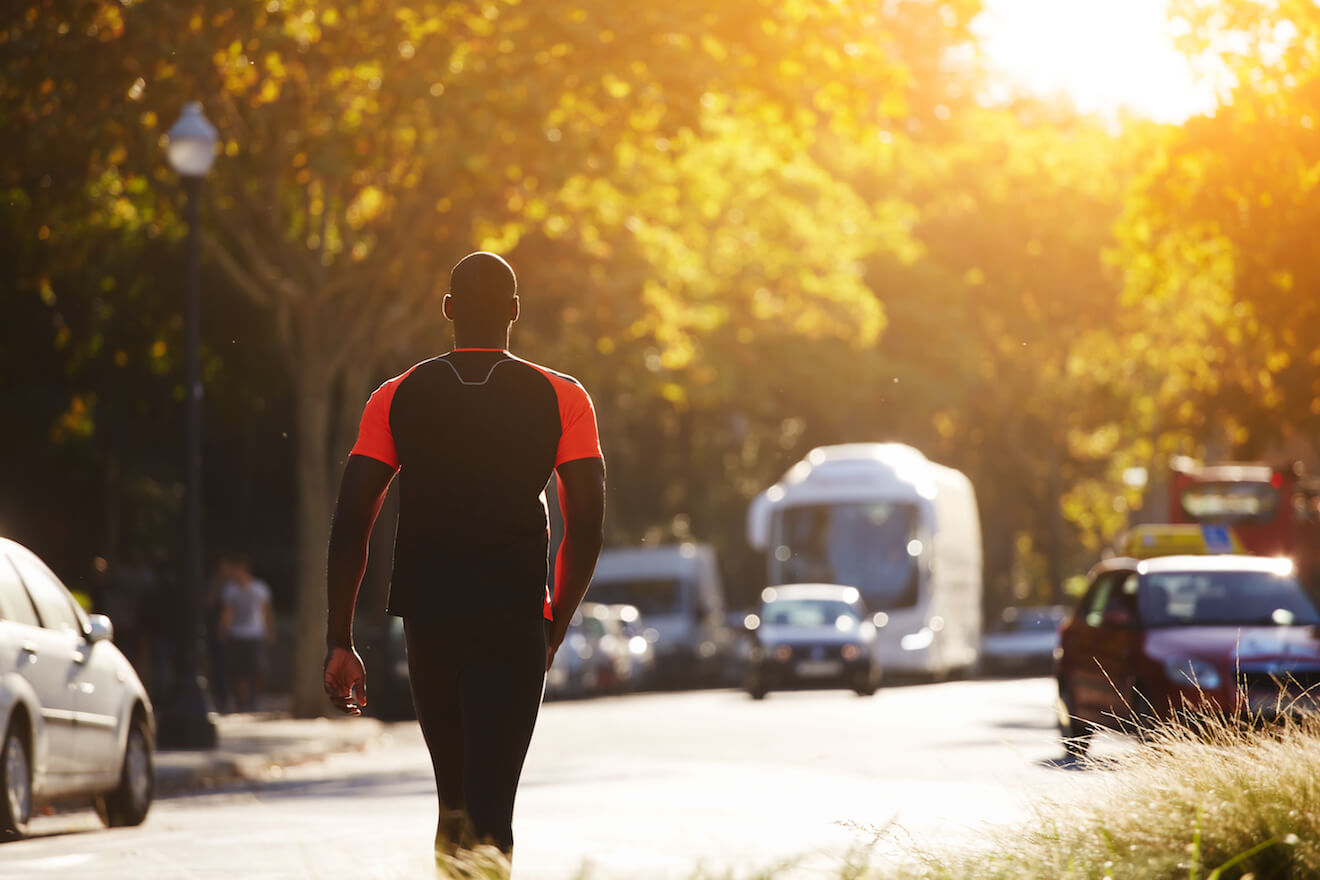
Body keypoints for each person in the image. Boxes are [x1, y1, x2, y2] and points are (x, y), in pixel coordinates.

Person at [322, 251, 607, 866]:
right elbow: (584, 526)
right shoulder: (563, 397)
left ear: (447, 309)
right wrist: (554, 623)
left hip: (430, 621)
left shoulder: (394, 397)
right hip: (513, 621)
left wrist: (339, 638)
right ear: (515, 312)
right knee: (491, 810)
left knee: (454, 802)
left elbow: (351, 523)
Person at [218, 554, 275, 712]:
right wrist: (223, 630)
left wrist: (270, 631)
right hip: (237, 634)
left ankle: (256, 698)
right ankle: (243, 702)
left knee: (259, 669)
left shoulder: (260, 588)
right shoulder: (231, 590)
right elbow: (227, 613)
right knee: (240, 671)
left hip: (256, 634)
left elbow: (267, 612)